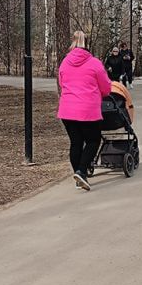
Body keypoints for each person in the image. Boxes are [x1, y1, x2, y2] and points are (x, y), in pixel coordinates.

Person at [58, 31, 112, 190]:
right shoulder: (94, 63)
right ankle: (81, 172)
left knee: (76, 142)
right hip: (87, 109)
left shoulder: (65, 62)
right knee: (93, 140)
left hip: (67, 110)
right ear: (87, 45)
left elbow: (62, 83)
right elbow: (106, 87)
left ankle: (78, 174)